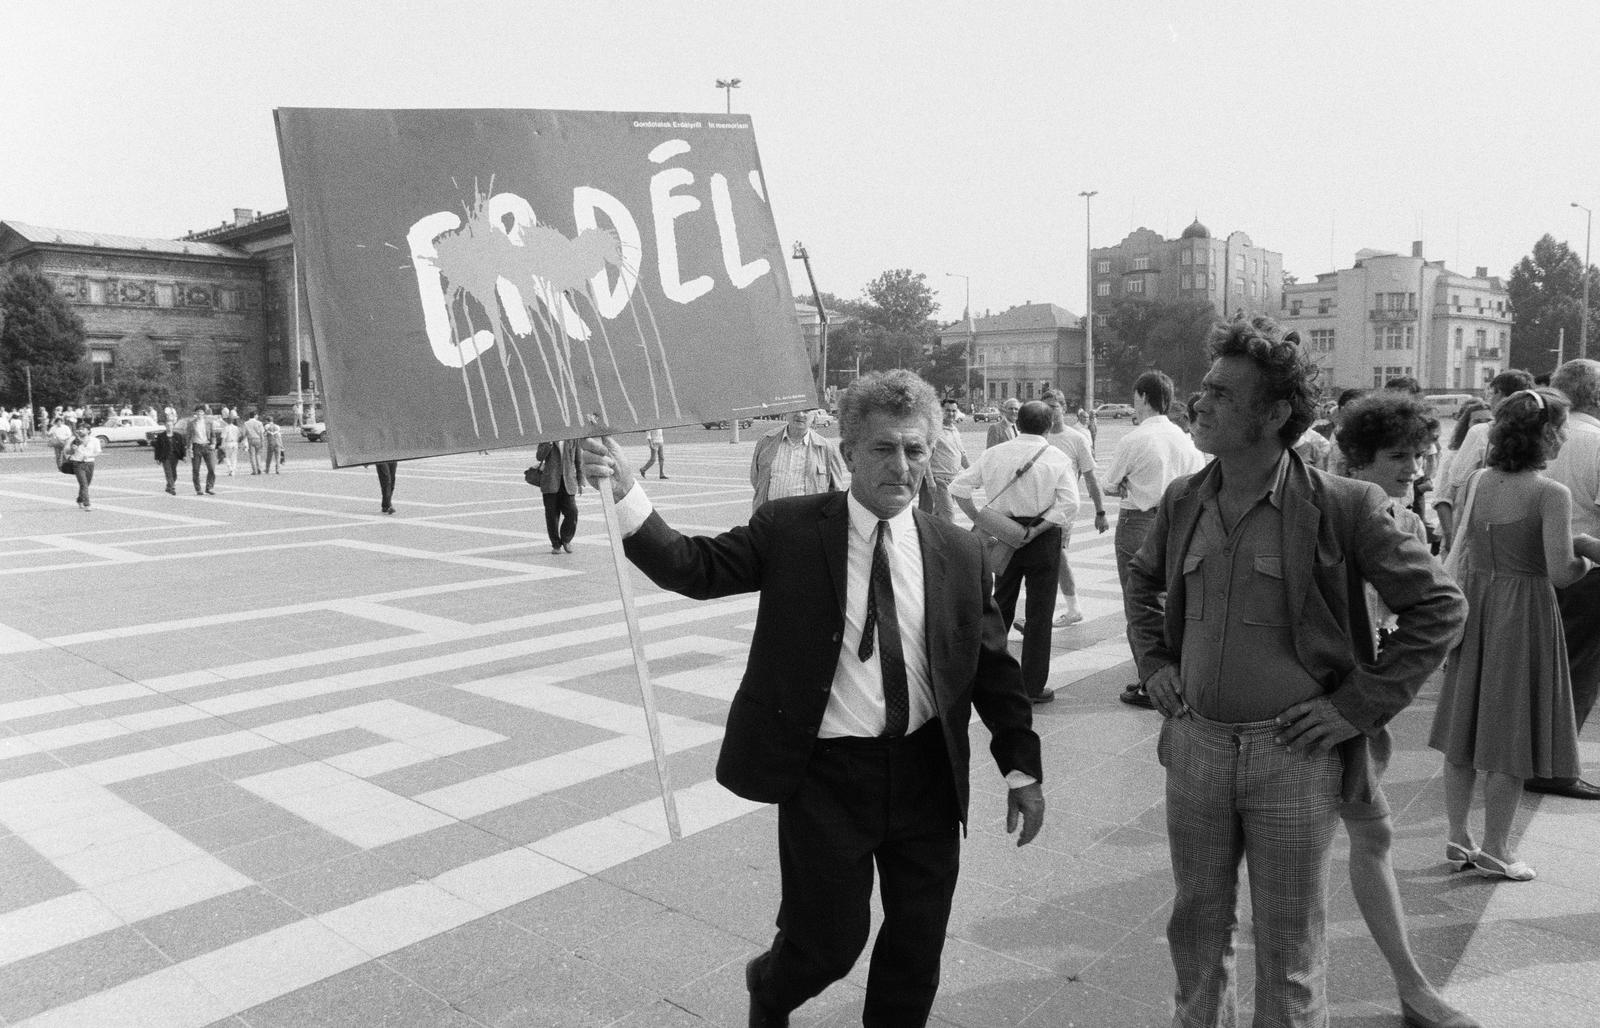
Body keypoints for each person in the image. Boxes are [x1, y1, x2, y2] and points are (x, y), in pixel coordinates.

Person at [577, 369, 1045, 1027]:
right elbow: (694, 567)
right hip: (827, 778)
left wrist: (1022, 767)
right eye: (883, 448)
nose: (902, 466)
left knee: (917, 945)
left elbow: (993, 669)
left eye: (915, 449)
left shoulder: (959, 551)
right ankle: (770, 989)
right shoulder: (791, 529)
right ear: (848, 452)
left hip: (927, 776)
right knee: (828, 942)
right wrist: (628, 491)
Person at [1126, 316, 1465, 1028]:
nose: (1200, 402)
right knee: (1196, 928)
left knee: (1288, 948)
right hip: (1195, 746)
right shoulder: (1185, 498)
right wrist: (1154, 662)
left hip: (1293, 755)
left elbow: (1439, 607)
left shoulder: (1345, 505)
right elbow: (1144, 580)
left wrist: (1356, 706)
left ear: (1277, 412)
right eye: (1204, 388)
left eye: (1222, 392)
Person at [1318, 391, 1481, 1028]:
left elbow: (1425, 608)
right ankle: (1412, 988)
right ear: (1358, 459)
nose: (1413, 467)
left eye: (1419, 455)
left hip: (1360, 704)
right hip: (1325, 701)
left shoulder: (1404, 522)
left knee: (1364, 834)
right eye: (1397, 456)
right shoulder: (1328, 512)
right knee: (1366, 833)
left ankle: (1411, 988)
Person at [1430, 388, 1600, 882]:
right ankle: (1498, 848)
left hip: (1478, 604)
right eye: (1559, 428)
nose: (1564, 436)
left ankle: (1459, 836)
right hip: (1523, 611)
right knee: (1510, 733)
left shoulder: (1478, 480)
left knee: (1464, 727)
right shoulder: (1549, 493)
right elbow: (1561, 572)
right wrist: (1586, 551)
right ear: (1543, 433)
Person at [950, 400, 1077, 704]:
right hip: (1041, 535)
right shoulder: (1057, 457)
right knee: (1040, 611)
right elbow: (1069, 504)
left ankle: (988, 674)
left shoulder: (995, 453)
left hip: (1003, 533)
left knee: (1001, 604)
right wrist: (1037, 530)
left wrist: (980, 519)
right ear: (1049, 426)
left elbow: (958, 488)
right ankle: (1033, 685)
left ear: (1017, 423)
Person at [1102, 371, 1205, 709]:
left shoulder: (1135, 438)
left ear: (1144, 397)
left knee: (1140, 602)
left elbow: (1109, 483)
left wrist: (1126, 484)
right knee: (1174, 600)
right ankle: (1176, 676)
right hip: (1180, 521)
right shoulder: (1185, 439)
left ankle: (1151, 681)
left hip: (1139, 520)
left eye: (1135, 397)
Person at [1530, 359, 1600, 799]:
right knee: (1577, 673)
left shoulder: (1536, 435)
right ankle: (1555, 768)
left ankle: (1522, 756)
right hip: (1583, 572)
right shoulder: (1597, 442)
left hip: (1526, 569)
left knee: (1536, 669)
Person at [1434, 369, 1535, 548]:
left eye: (1490, 394)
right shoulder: (1536, 433)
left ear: (1499, 393)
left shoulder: (1481, 432)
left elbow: (1457, 481)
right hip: (1519, 528)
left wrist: (1452, 538)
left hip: (1477, 529)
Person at [1042, 389, 1109, 627]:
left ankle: (1072, 609)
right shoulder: (1038, 436)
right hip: (1037, 507)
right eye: (1045, 407)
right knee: (1047, 558)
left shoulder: (1076, 438)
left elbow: (1090, 477)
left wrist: (1100, 512)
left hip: (1062, 508)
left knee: (1057, 555)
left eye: (1054, 407)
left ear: (1063, 408)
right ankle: (1045, 611)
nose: (1050, 412)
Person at [748, 409, 847, 513]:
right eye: (796, 409)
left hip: (808, 519)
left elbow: (836, 491)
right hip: (769, 517)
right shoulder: (766, 441)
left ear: (814, 415)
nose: (800, 414)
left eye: (806, 411)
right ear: (786, 411)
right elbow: (756, 478)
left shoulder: (826, 447)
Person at [919, 397, 968, 520]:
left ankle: (929, 532)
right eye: (948, 410)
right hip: (939, 480)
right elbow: (925, 456)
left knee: (937, 516)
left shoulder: (954, 430)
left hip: (953, 480)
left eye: (954, 411)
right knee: (948, 516)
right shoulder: (934, 430)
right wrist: (930, 480)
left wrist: (974, 474)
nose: (951, 414)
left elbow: (962, 456)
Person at [535, 439, 582, 552]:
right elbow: (539, 457)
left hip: (568, 481)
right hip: (550, 481)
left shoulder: (572, 438)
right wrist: (548, 444)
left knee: (572, 512)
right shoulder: (546, 437)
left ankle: (566, 539)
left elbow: (578, 460)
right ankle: (556, 544)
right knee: (551, 515)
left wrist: (580, 481)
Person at [63, 423, 101, 509]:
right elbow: (67, 451)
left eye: (83, 429)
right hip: (77, 463)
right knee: (83, 484)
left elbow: (98, 451)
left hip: (90, 463)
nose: (80, 431)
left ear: (88, 431)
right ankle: (87, 504)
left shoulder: (95, 440)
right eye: (79, 429)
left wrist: (90, 455)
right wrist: (72, 449)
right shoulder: (74, 440)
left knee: (87, 484)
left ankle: (80, 499)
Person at [151, 418, 187, 494]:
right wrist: (157, 458)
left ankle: (168, 487)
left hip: (175, 456)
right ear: (165, 426)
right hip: (165, 457)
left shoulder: (178, 436)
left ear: (173, 426)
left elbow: (182, 446)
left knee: (174, 474)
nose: (169, 427)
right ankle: (172, 487)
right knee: (168, 472)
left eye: (170, 425)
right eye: (167, 425)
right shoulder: (161, 436)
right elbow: (157, 448)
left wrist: (184, 456)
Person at [187, 404, 218, 495]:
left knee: (212, 468)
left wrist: (213, 443)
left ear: (204, 413)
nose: (199, 413)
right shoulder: (191, 423)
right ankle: (198, 489)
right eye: (198, 412)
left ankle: (209, 487)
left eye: (201, 412)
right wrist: (189, 448)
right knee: (196, 469)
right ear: (195, 413)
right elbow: (188, 437)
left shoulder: (209, 422)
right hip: (196, 447)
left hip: (207, 446)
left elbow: (213, 435)